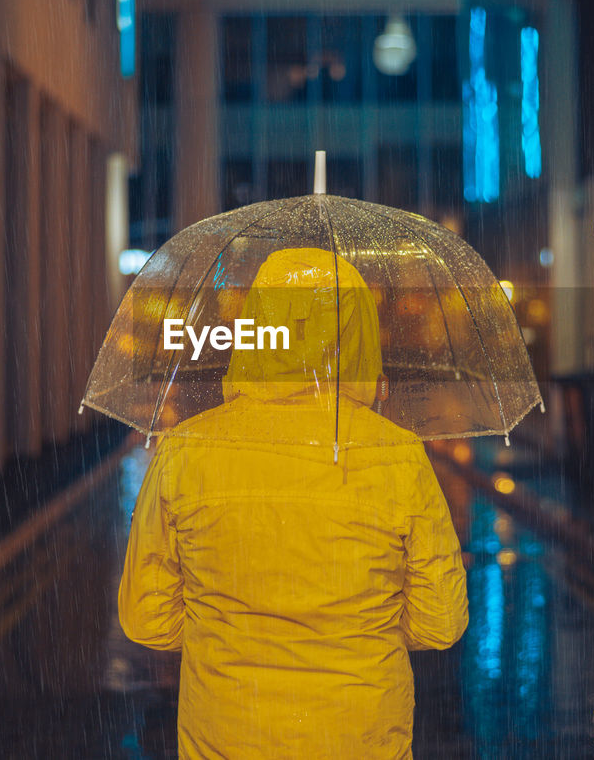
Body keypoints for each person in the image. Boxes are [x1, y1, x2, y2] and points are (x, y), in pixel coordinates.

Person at [118, 247, 469, 759]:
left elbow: (147, 618)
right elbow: (441, 622)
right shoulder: (397, 454)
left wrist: (229, 631)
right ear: (356, 334)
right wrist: (361, 627)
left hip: (227, 738)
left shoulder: (185, 451)